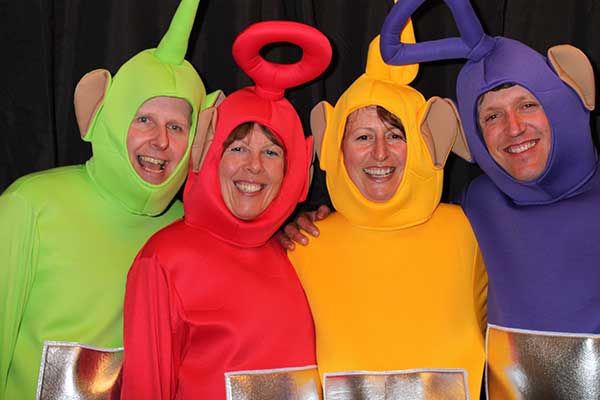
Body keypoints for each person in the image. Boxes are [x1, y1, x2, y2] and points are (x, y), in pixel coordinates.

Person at [380, 0, 600, 398]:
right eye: (492, 116)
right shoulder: (476, 205)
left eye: (527, 105)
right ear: (473, 136)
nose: (513, 128)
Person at [0, 0, 219, 398]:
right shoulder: (30, 205)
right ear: (104, 113)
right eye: (143, 119)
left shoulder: (188, 230)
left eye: (176, 126)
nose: (161, 141)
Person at [120, 21, 331, 399]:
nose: (254, 166)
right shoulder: (164, 258)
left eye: (271, 152)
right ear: (209, 155)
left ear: (294, 170)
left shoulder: (298, 250)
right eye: (237, 148)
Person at [286, 19, 487, 398]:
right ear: (335, 148)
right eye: (363, 136)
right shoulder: (304, 244)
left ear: (426, 140)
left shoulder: (468, 230)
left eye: (396, 135)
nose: (380, 153)